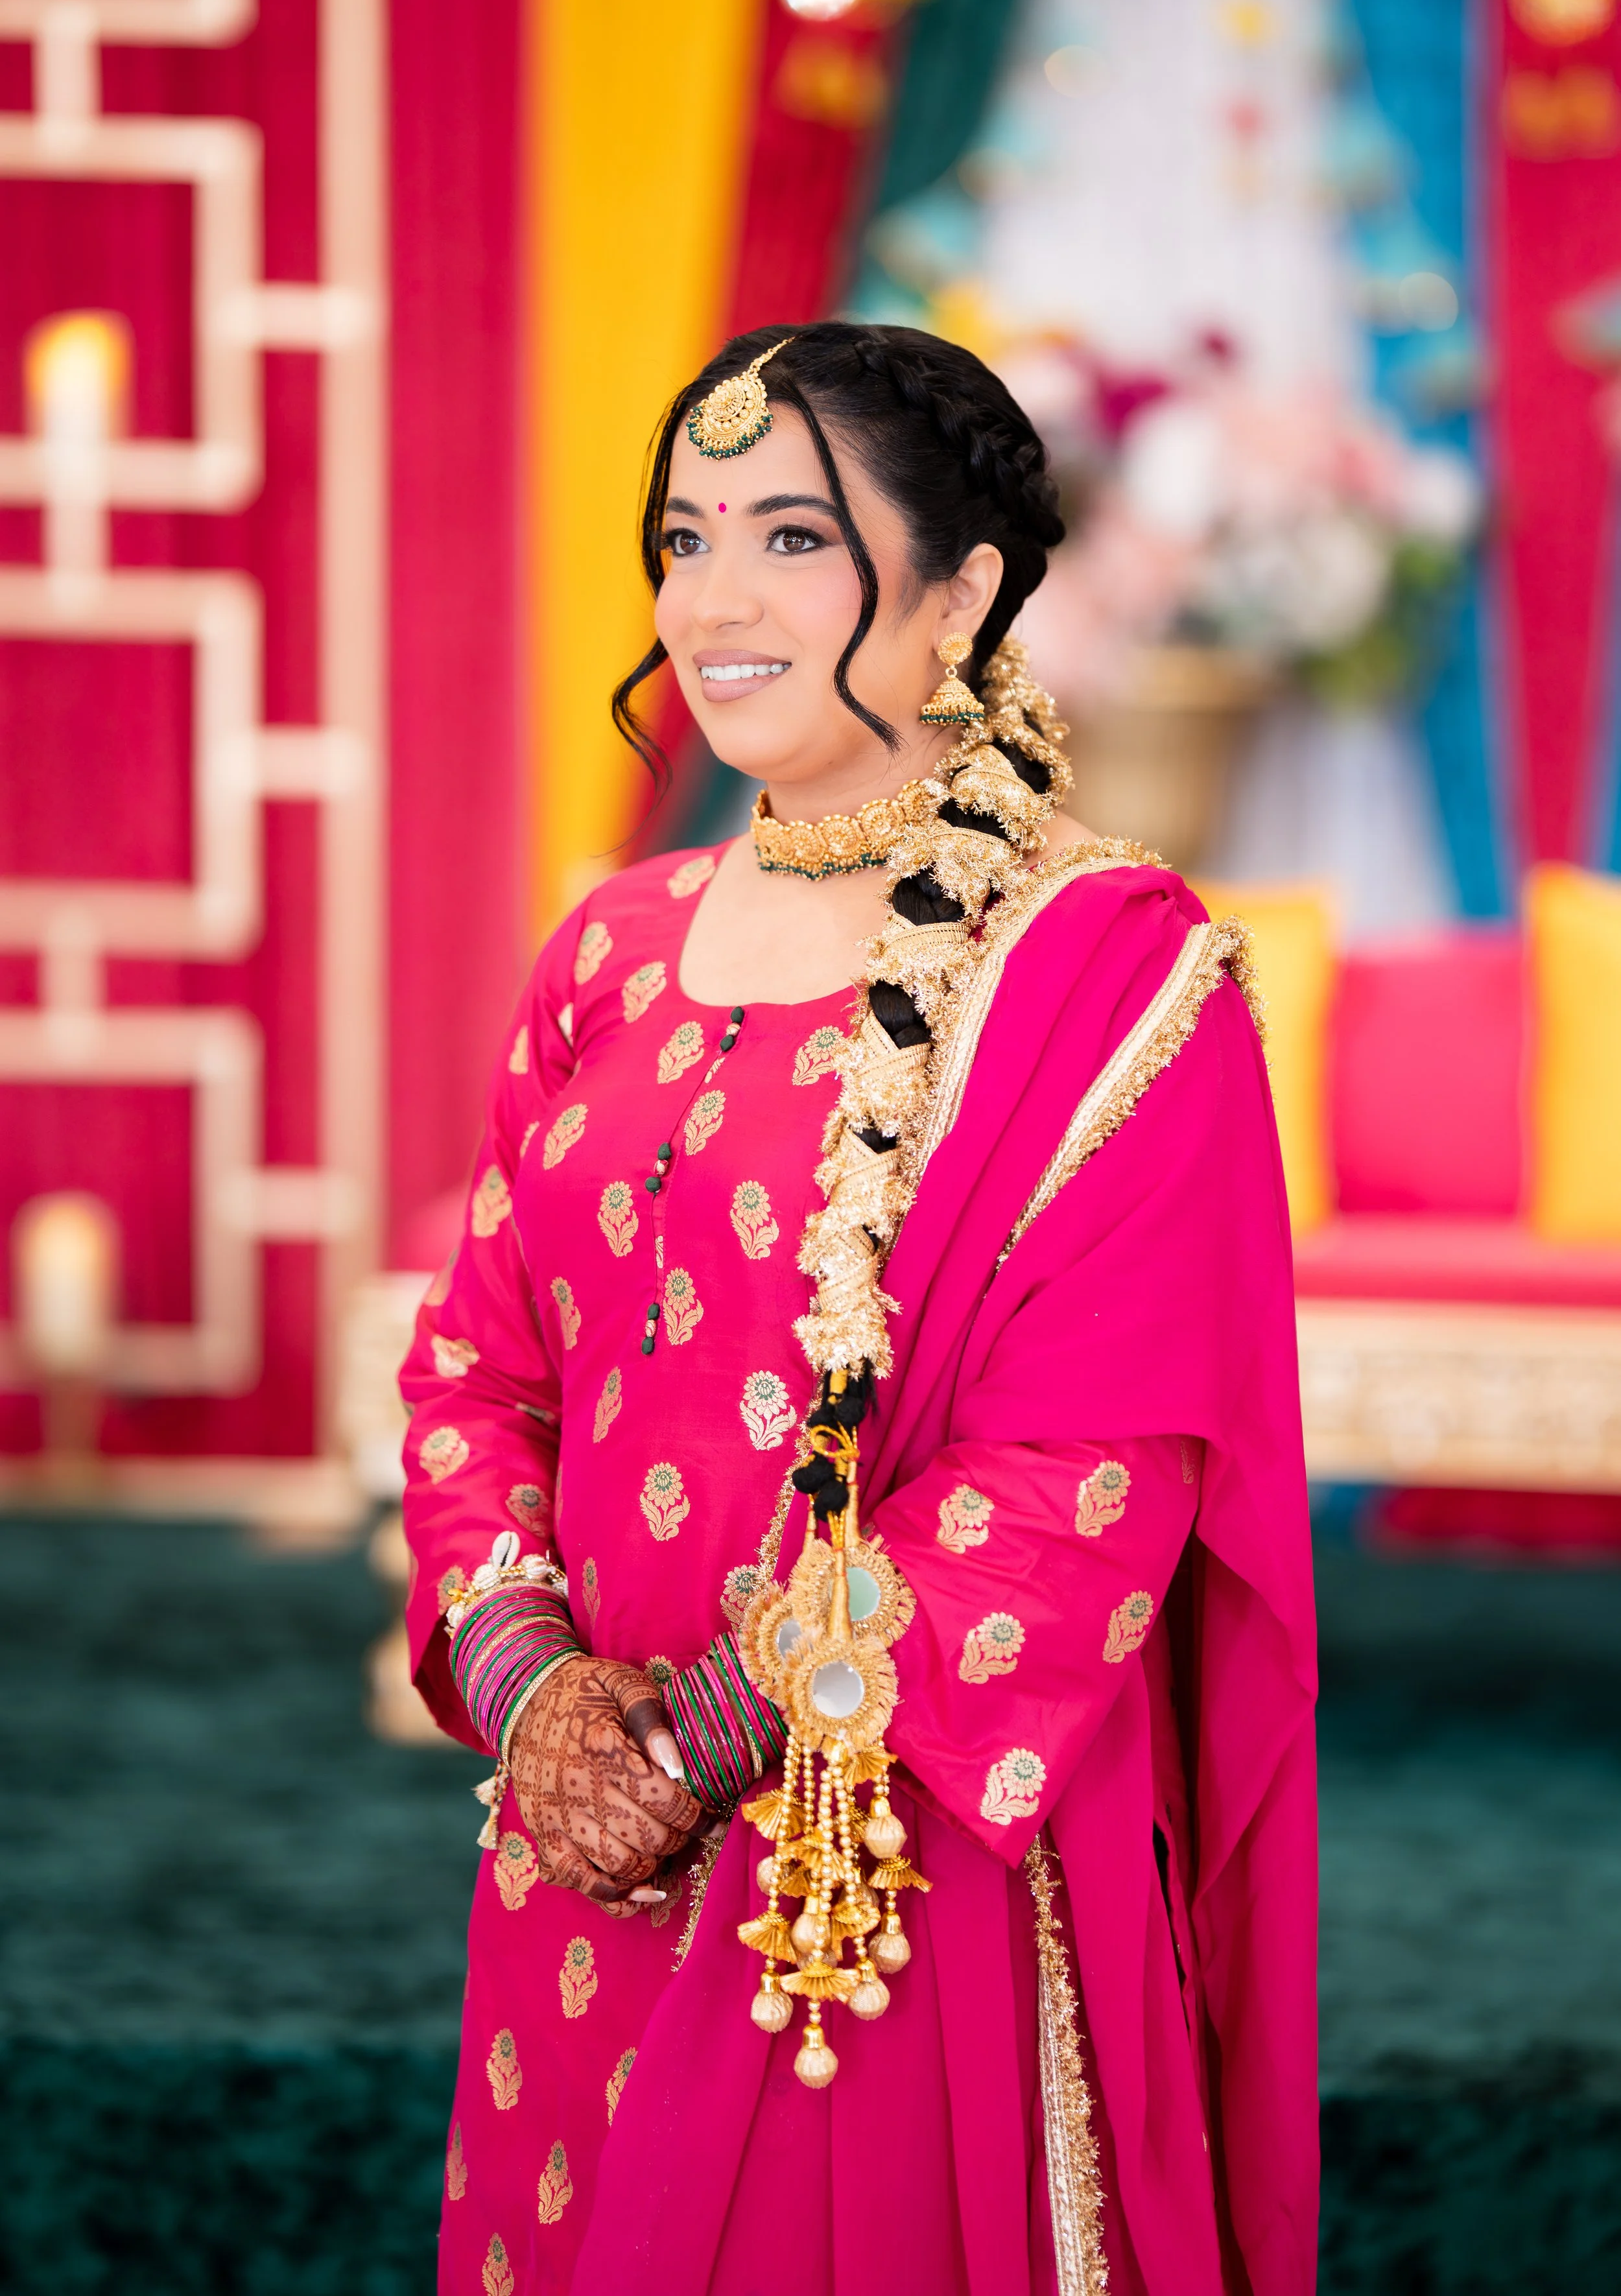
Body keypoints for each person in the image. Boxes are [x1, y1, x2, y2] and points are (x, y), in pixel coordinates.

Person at [400, 322, 1318, 2296]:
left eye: (791, 539)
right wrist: (536, 1697)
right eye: (683, 534)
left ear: (965, 589)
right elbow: (476, 1368)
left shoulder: (1114, 976)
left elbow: (1084, 1479)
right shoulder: (612, 950)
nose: (712, 601)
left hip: (867, 1859)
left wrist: (706, 1737)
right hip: (572, 1847)